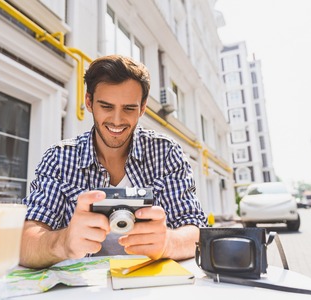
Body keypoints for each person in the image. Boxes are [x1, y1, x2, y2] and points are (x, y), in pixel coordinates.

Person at [20, 54, 207, 269]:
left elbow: (196, 231)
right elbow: (25, 243)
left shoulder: (165, 153)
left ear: (142, 108)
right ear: (89, 102)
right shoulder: (59, 158)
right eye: (107, 106)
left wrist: (168, 243)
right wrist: (63, 242)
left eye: (129, 108)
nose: (117, 121)